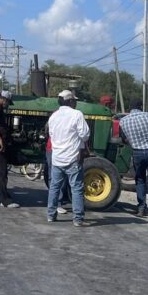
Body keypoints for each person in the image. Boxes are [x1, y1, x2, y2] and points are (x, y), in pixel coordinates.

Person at [46, 89, 91, 226]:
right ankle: (77, 219)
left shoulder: (54, 116)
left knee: (54, 187)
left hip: (57, 157)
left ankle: (51, 215)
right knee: (76, 188)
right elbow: (85, 134)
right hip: (72, 158)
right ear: (70, 101)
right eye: (74, 101)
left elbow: (51, 135)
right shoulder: (77, 114)